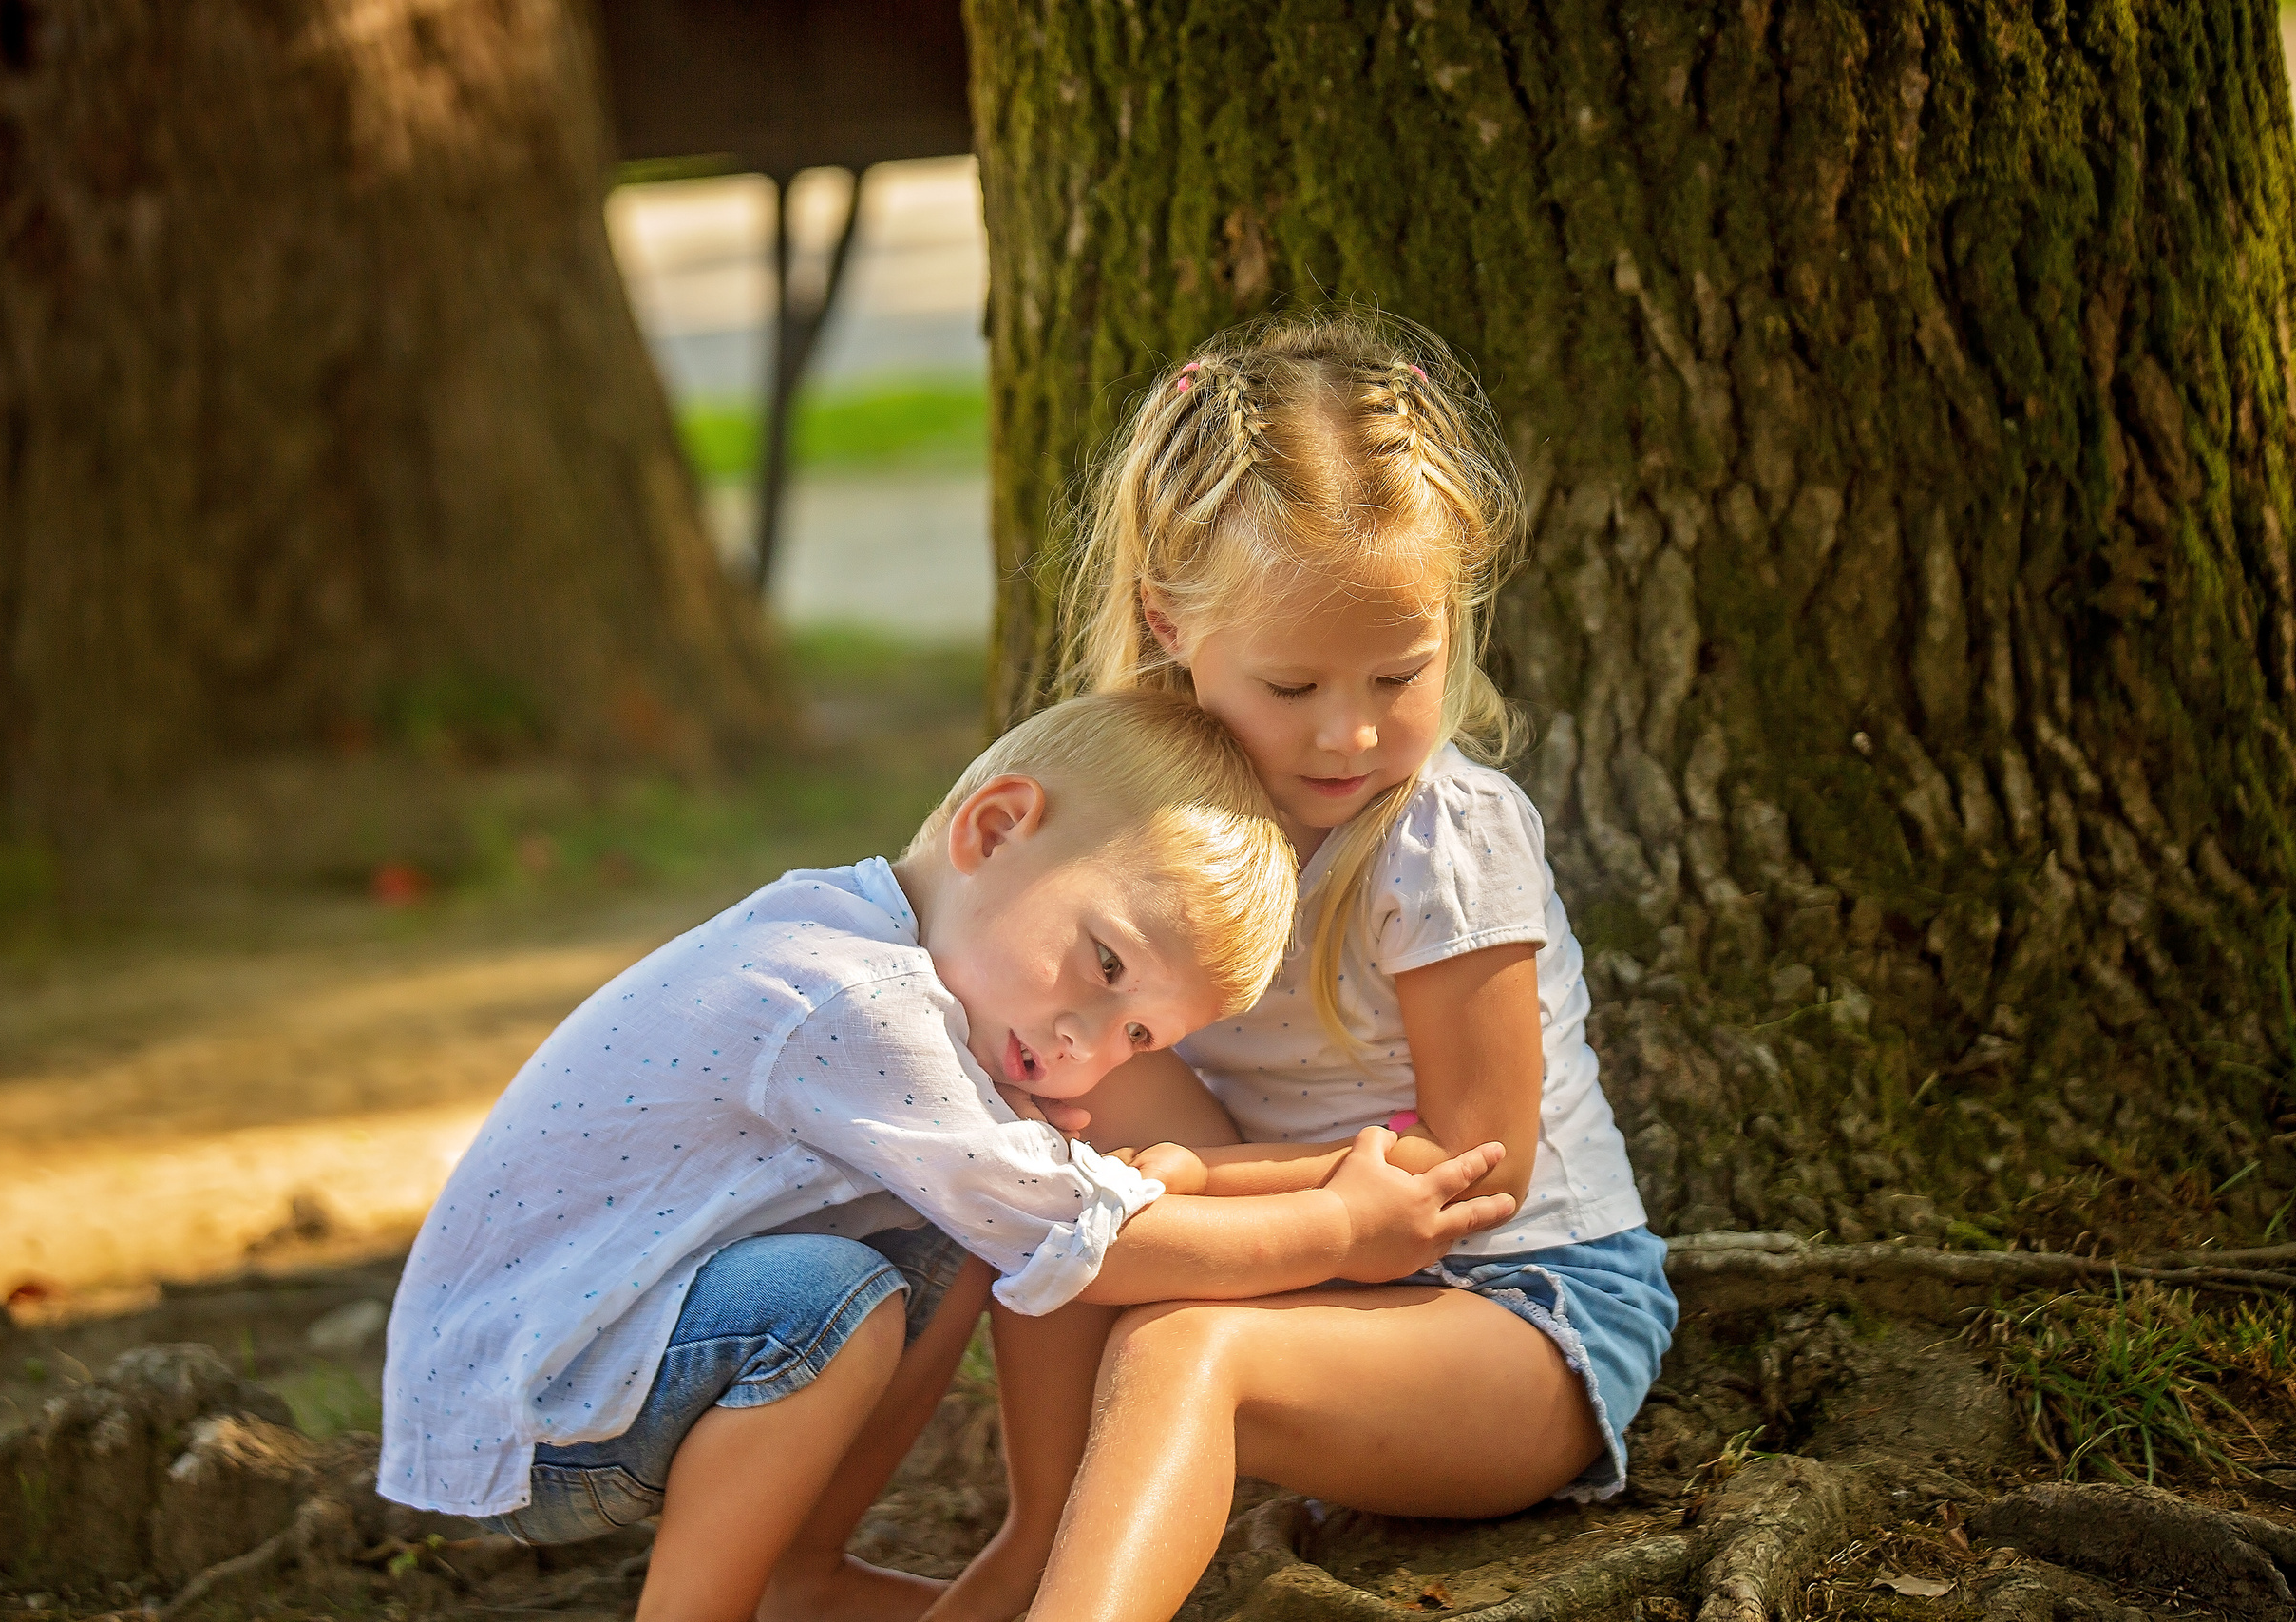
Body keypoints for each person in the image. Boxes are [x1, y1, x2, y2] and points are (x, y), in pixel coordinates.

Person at [375, 688, 1517, 1622]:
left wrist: (1330, 1169)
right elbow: (1080, 1244)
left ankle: (802, 1584)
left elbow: (1083, 1199)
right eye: (1104, 966)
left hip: (583, 1360)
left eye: (1136, 1039)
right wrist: (1334, 1231)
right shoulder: (855, 1000)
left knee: (932, 1243)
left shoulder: (888, 959)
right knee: (827, 1301)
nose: (1083, 1050)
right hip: (526, 1405)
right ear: (994, 828)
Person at [933, 315, 1679, 1622]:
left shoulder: (1440, 835)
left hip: (1514, 1305)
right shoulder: (1137, 826)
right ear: (1168, 620)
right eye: (1291, 686)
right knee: (1056, 1140)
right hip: (1307, 1251)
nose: (1350, 734)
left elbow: (1478, 1170)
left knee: (1179, 1340)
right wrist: (1118, 1186)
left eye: (1400, 674)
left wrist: (1190, 1188)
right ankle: (1036, 1546)